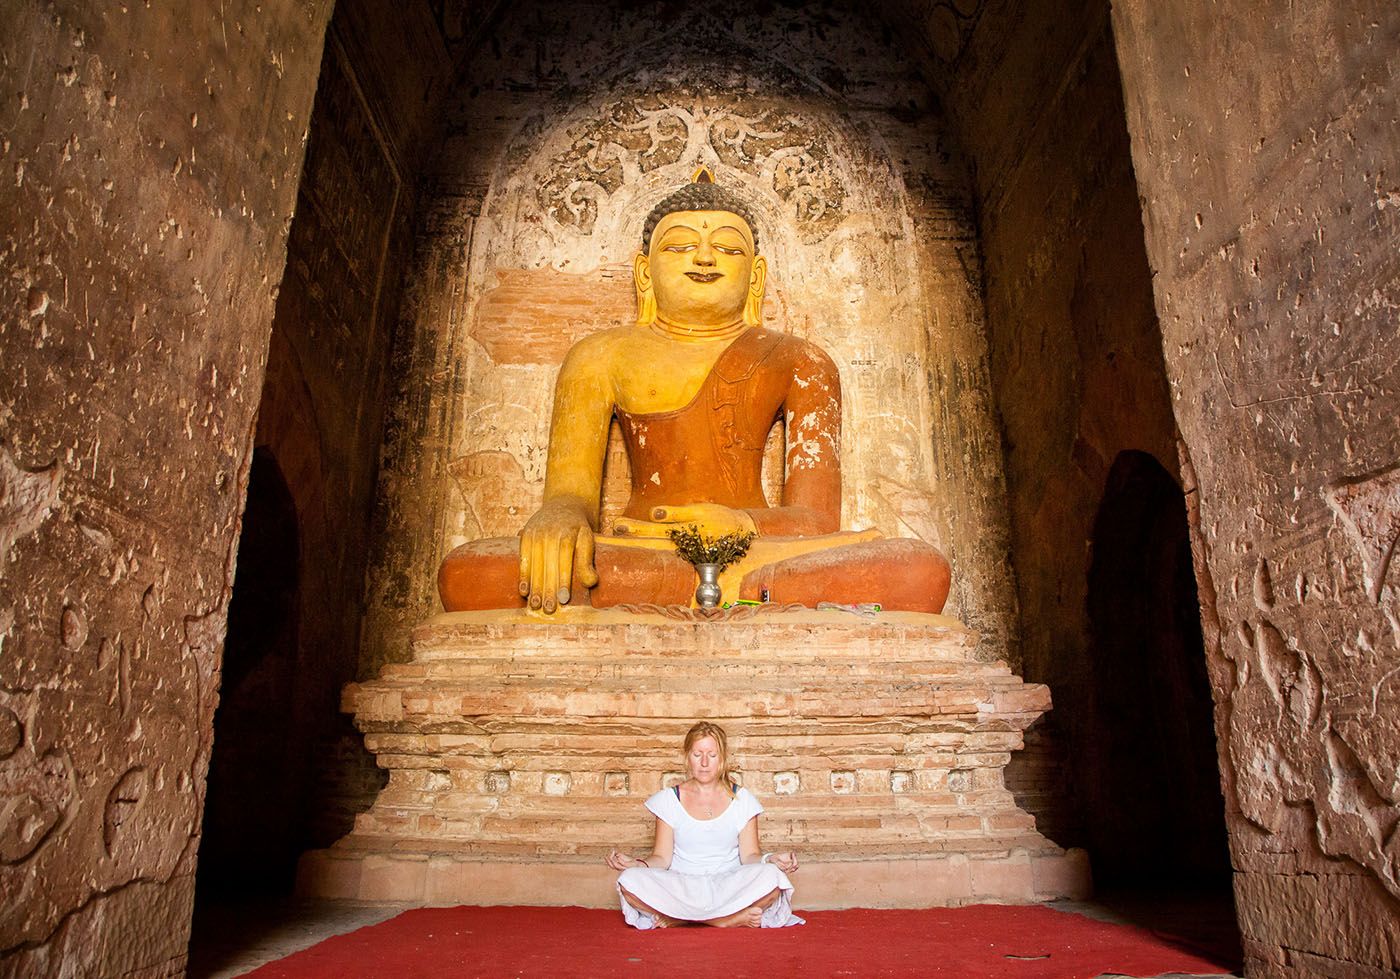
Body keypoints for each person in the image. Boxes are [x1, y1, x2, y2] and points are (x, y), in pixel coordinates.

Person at [438, 170, 951, 614]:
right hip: (646, 550)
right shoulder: (600, 354)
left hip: (758, 552)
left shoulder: (801, 360)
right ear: (644, 272)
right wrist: (559, 518)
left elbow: (816, 520)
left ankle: (729, 587)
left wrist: (741, 526)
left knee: (917, 570)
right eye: (680, 246)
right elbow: (570, 496)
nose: (704, 259)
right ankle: (737, 597)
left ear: (756, 275)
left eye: (728, 248)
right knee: (471, 573)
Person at [605, 721, 803, 929]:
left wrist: (769, 859)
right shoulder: (668, 799)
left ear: (723, 758)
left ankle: (679, 919)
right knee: (628, 880)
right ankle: (727, 921)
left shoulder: (742, 799)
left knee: (773, 877)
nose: (705, 762)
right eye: (698, 755)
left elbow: (749, 856)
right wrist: (636, 864)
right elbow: (661, 858)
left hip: (728, 884)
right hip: (682, 884)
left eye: (712, 755)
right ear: (687, 757)